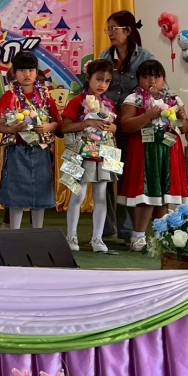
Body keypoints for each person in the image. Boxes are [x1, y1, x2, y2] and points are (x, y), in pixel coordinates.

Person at [118, 60, 188, 251]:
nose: (152, 81)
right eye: (146, 76)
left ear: (163, 79)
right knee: (146, 194)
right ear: (138, 79)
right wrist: (146, 116)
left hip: (168, 151)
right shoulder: (134, 98)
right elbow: (126, 126)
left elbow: (185, 129)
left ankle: (160, 237)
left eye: (157, 77)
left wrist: (182, 118)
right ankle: (138, 236)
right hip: (144, 152)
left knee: (163, 196)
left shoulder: (173, 98)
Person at [99, 11, 154, 241]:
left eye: (114, 29)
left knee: (127, 178)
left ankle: (127, 228)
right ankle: (106, 228)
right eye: (108, 29)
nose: (110, 33)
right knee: (106, 176)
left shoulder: (145, 57)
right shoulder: (105, 56)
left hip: (131, 130)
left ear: (128, 31)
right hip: (108, 130)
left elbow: (155, 88)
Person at [0, 51, 61, 230]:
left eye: (31, 70)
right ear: (14, 73)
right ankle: (14, 232)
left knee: (40, 192)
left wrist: (49, 127)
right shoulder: (8, 96)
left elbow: (57, 122)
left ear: (36, 72)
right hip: (17, 149)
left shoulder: (45, 95)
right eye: (22, 70)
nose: (27, 74)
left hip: (41, 150)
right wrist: (12, 129)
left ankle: (38, 232)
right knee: (16, 192)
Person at [61, 59, 118, 253]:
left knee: (101, 196)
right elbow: (65, 127)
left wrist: (112, 127)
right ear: (88, 77)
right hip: (82, 154)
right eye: (99, 79)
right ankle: (71, 235)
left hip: (105, 153)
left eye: (107, 81)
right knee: (78, 195)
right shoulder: (78, 101)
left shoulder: (109, 104)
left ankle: (97, 238)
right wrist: (86, 123)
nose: (102, 84)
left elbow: (114, 128)